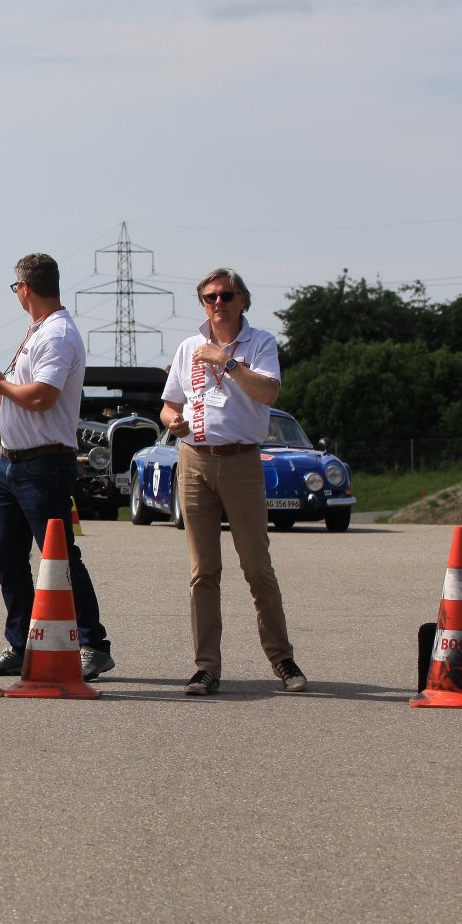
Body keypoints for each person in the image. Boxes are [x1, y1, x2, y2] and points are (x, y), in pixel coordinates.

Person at [0, 253, 115, 682]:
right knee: (8, 559)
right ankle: (21, 644)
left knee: (59, 559)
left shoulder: (58, 333)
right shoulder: (38, 330)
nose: (16, 294)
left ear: (25, 288)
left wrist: (1, 385)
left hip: (44, 464)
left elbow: (43, 396)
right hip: (11, 463)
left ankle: (93, 644)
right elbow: (20, 396)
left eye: (15, 287)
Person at [159, 268, 305, 695]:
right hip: (195, 460)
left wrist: (227, 362)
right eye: (210, 297)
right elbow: (168, 404)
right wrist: (173, 421)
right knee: (203, 571)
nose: (218, 303)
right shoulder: (188, 347)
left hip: (241, 460)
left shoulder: (260, 343)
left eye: (226, 295)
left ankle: (282, 659)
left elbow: (268, 393)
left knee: (256, 566)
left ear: (243, 300)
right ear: (202, 303)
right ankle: (206, 667)